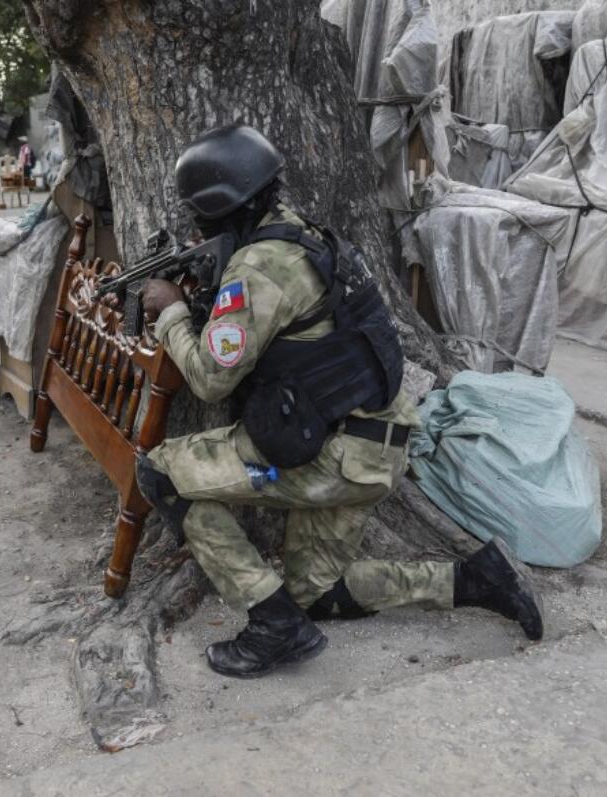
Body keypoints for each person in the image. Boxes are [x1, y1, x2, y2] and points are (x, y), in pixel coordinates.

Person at [137, 124, 544, 679]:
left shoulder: (258, 268)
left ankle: (272, 623)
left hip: (331, 453)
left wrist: (170, 313)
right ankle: (475, 581)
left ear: (216, 210)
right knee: (318, 593)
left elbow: (211, 378)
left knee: (160, 473)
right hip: (376, 442)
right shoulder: (304, 236)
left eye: (198, 218)